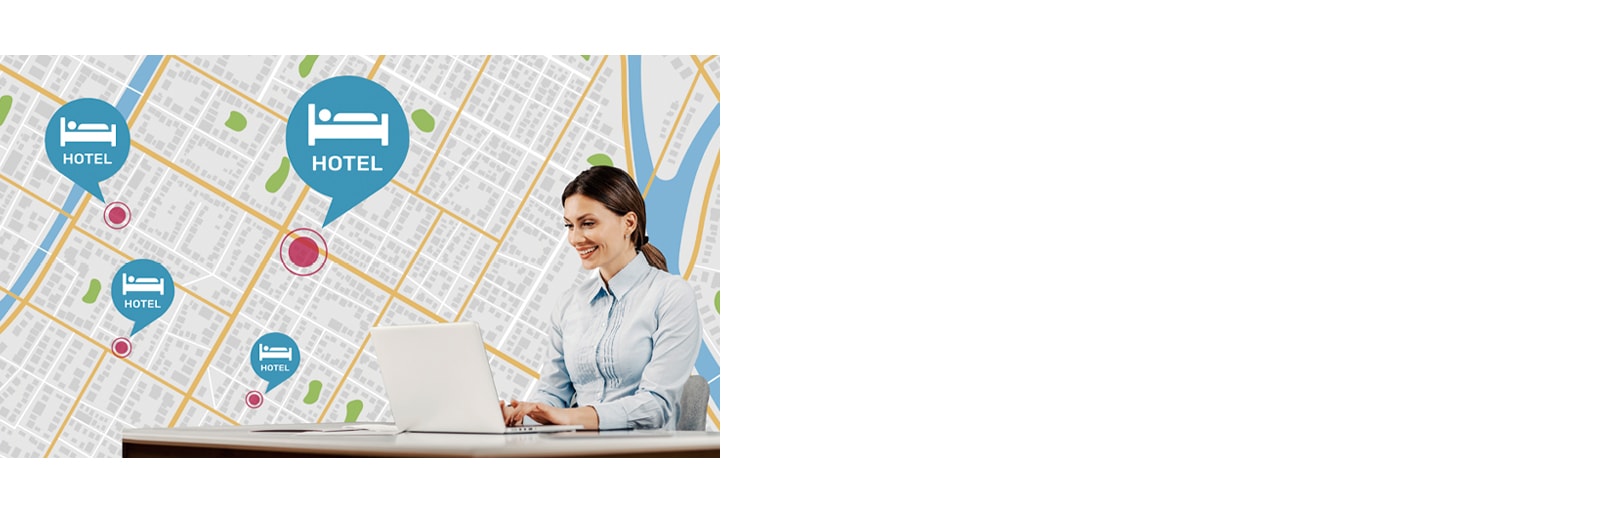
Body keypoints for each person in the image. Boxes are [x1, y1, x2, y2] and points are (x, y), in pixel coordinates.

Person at [499, 165, 702, 430]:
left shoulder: (671, 296)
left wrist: (571, 417)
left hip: (642, 450)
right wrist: (519, 415)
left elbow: (655, 405)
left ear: (629, 223)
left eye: (588, 223)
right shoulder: (568, 305)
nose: (575, 238)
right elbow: (552, 395)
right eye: (569, 226)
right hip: (576, 448)